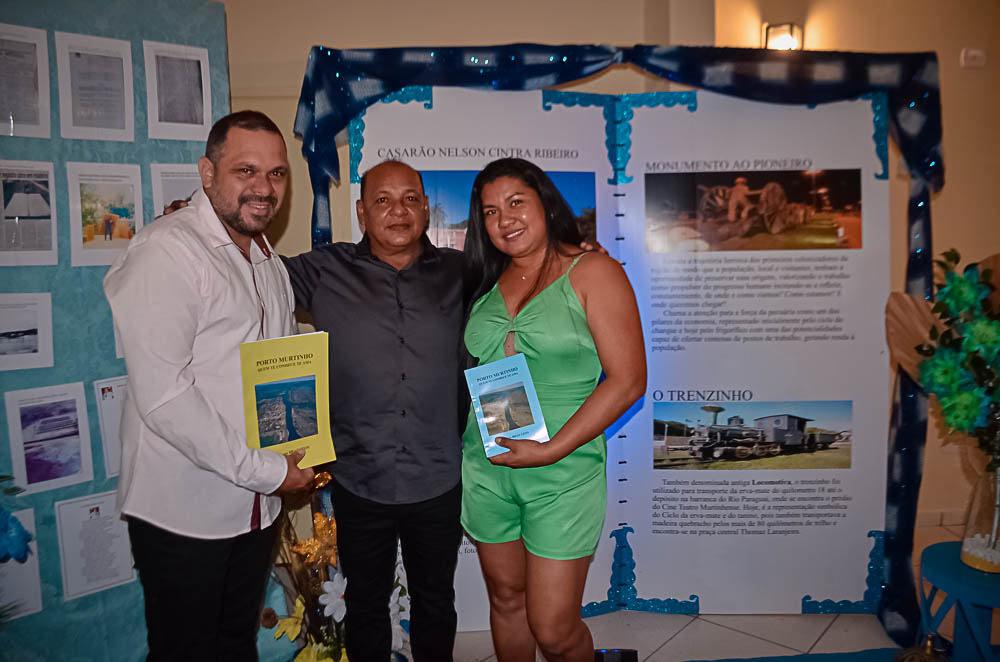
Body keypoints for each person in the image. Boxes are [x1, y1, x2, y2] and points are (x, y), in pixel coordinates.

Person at [104, 110, 315, 662]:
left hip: (253, 507)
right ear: (206, 172)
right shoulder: (166, 252)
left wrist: (294, 446)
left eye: (276, 173)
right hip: (185, 510)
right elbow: (167, 399)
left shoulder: (266, 258)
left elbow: (272, 368)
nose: (263, 188)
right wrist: (271, 470)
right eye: (246, 170)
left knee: (234, 644)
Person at [461, 158, 646, 662]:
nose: (505, 219)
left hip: (564, 467)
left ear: (545, 202)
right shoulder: (482, 279)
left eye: (517, 202)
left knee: (555, 629)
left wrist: (550, 449)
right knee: (506, 599)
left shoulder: (595, 271)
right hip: (488, 467)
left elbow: (629, 382)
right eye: (491, 211)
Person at [281, 160, 466, 662]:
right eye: (383, 200)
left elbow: (531, 275)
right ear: (361, 212)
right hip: (359, 477)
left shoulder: (461, 272)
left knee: (436, 601)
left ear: (427, 208)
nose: (398, 211)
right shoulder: (324, 269)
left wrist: (577, 253)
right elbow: (247, 273)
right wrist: (202, 228)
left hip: (438, 475)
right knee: (365, 604)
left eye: (410, 198)